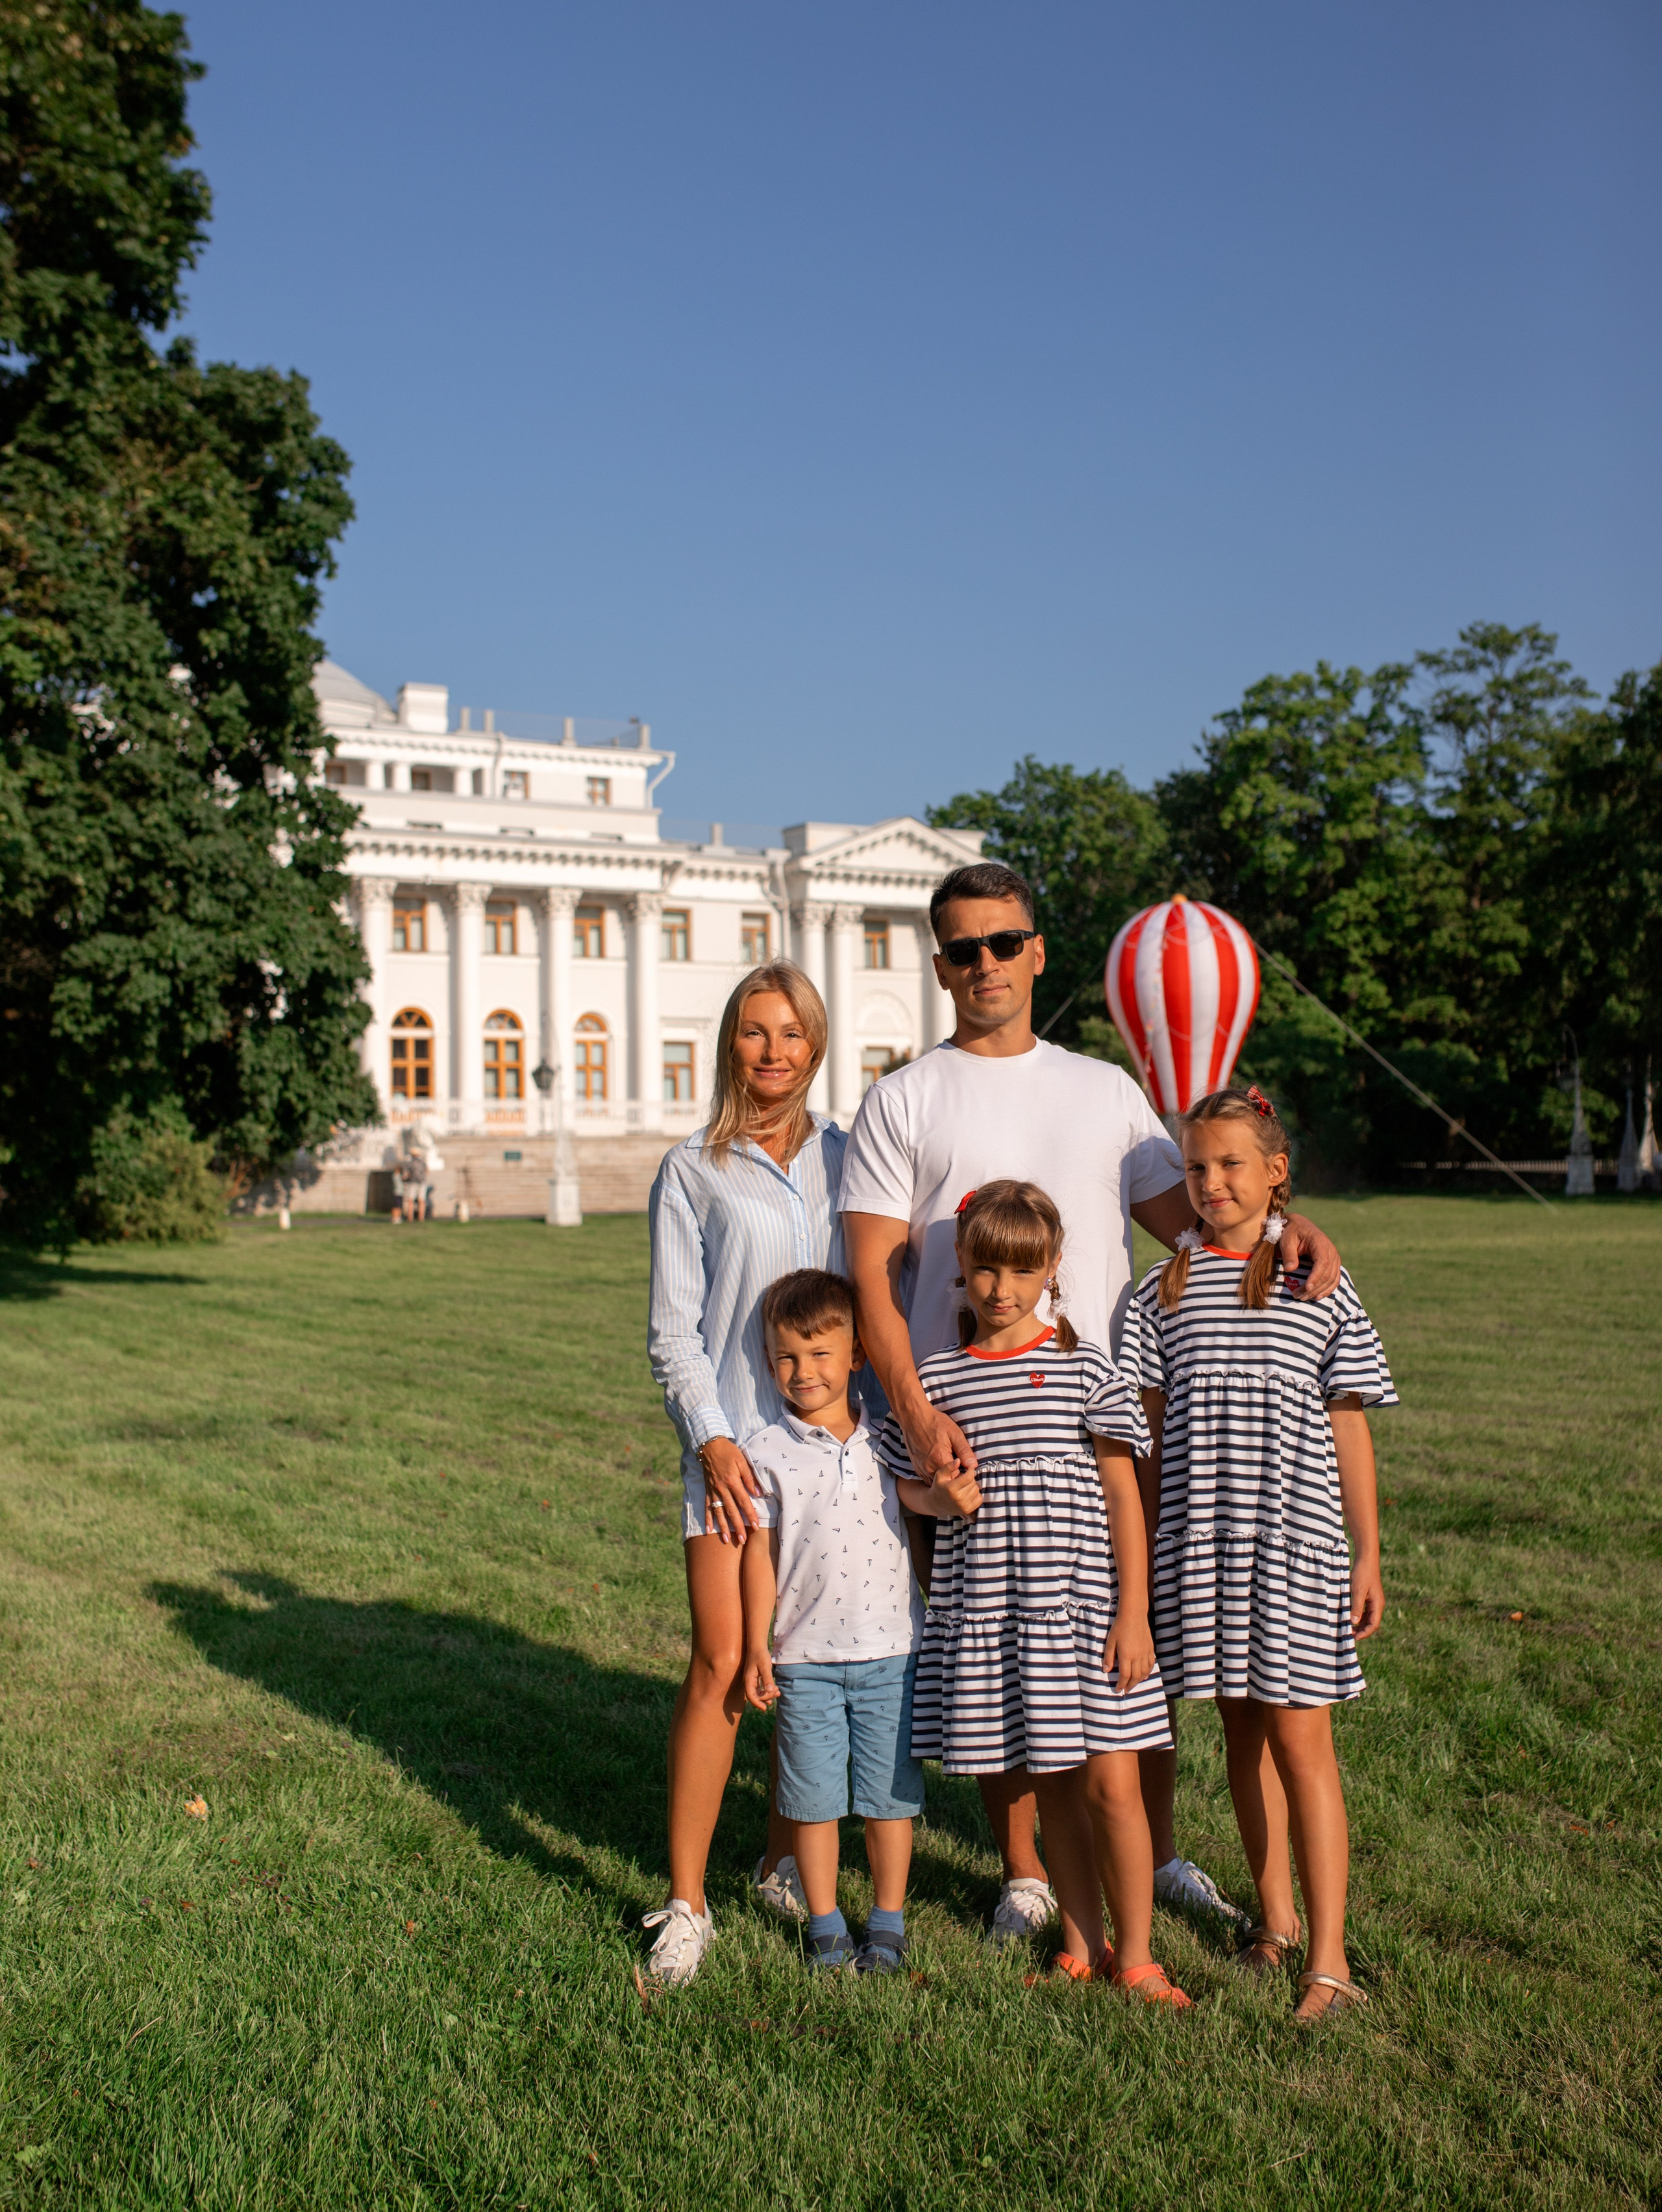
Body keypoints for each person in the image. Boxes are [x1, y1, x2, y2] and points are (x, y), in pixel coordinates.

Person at [841, 860, 1343, 1942]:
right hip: (969, 1423)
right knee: (990, 1642)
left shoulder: (1105, 1091)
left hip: (1110, 1415)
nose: (986, 964)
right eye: (963, 949)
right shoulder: (904, 1097)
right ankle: (1025, 1869)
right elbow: (874, 1282)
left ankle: (1153, 1851)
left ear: (1037, 952)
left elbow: (1209, 1218)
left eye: (1004, 942)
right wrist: (918, 1418)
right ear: (940, 966)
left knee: (1137, 1636)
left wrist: (1295, 1229)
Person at [1119, 1084, 1394, 2020]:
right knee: (1241, 1732)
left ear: (1277, 1171)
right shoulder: (1162, 1288)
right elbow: (1146, 1443)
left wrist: (1368, 1551)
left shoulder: (1315, 1279)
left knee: (1301, 1738)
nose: (1211, 1182)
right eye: (1196, 1166)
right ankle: (1273, 1920)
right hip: (1199, 1550)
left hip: (1299, 1546)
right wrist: (1147, 1562)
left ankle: (1329, 1956)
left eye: (1232, 1163)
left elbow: (1347, 1420)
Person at [882, 1181, 1188, 2002]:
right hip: (1000, 1614)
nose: (999, 1288)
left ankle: (1139, 1954)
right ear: (962, 1268)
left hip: (1088, 1614)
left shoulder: (1083, 1363)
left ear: (1052, 1268)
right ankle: (1081, 1941)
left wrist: (1134, 1612)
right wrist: (933, 1498)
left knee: (1113, 1784)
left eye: (1020, 1269)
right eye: (983, 1267)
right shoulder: (937, 1381)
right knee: (1053, 1782)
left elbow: (1126, 1497)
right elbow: (899, 1487)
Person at [643, 962, 848, 1987]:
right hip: (732, 1452)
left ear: (816, 1045)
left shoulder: (851, 1158)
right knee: (724, 1662)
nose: (774, 1051)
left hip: (829, 1456)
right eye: (755, 1032)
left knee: (804, 1665)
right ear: (732, 1043)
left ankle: (781, 1860)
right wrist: (713, 1439)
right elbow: (674, 1332)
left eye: (793, 1032)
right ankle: (686, 1899)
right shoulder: (694, 1168)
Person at [739, 1270, 924, 1974]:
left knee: (887, 1798)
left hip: (891, 1651)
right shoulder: (764, 1454)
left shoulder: (887, 1440)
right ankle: (823, 1923)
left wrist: (952, 1492)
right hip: (804, 1658)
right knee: (813, 1800)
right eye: (786, 1356)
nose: (802, 1371)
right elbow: (758, 1557)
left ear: (855, 1356)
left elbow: (922, 1503)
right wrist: (760, 1645)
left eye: (820, 1353)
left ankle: (887, 1922)